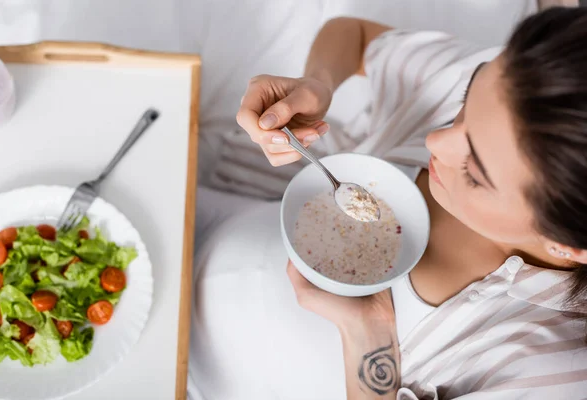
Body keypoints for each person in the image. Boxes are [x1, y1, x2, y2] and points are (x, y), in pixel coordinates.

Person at [188, 7, 587, 400]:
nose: (436, 140)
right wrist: (318, 84)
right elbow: (355, 36)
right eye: (467, 98)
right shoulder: (522, 88)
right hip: (205, 222)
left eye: (475, 172)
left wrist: (367, 333)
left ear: (568, 246)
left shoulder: (551, 372)